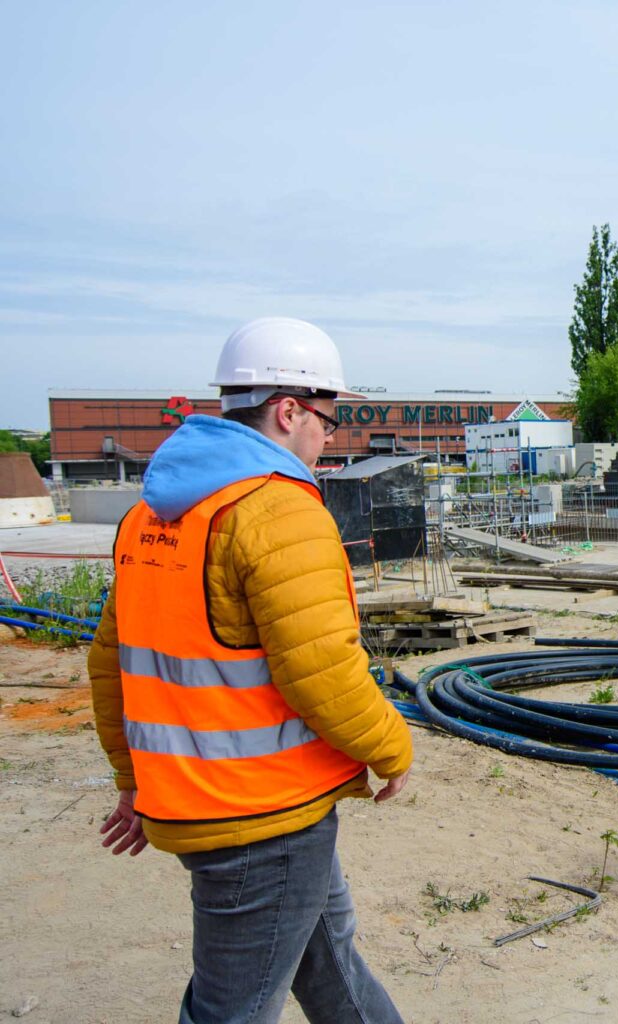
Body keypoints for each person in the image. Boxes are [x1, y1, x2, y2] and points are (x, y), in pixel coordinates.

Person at [87, 317, 414, 1024]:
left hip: (216, 803)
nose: (332, 440)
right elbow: (321, 670)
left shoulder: (150, 513)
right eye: (329, 421)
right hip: (261, 817)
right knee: (229, 1010)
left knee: (333, 976)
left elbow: (112, 661)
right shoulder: (277, 510)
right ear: (289, 410)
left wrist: (133, 778)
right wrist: (393, 747)